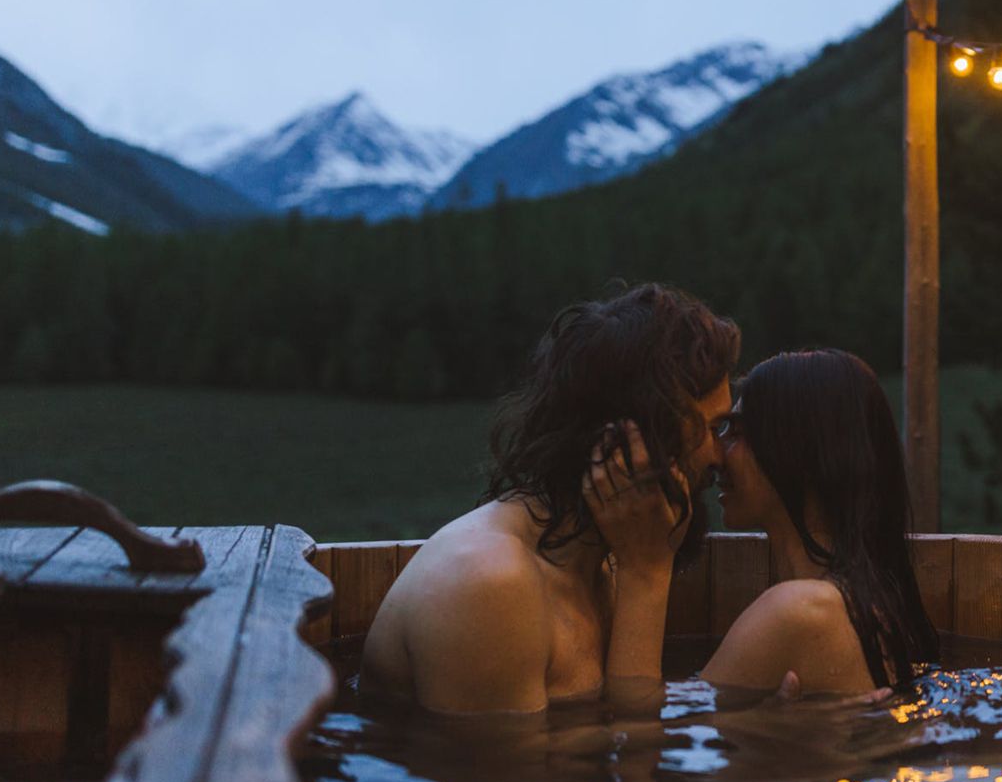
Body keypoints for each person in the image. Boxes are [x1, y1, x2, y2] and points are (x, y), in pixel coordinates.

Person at [359, 283, 738, 714]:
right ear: (635, 438)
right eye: (712, 428)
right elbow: (540, 778)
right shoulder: (489, 585)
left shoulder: (605, 561)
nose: (720, 455)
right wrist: (648, 576)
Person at [592, 348, 939, 697]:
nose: (718, 454)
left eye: (737, 432)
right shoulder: (859, 604)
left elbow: (637, 737)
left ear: (802, 450)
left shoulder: (799, 611)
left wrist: (646, 567)